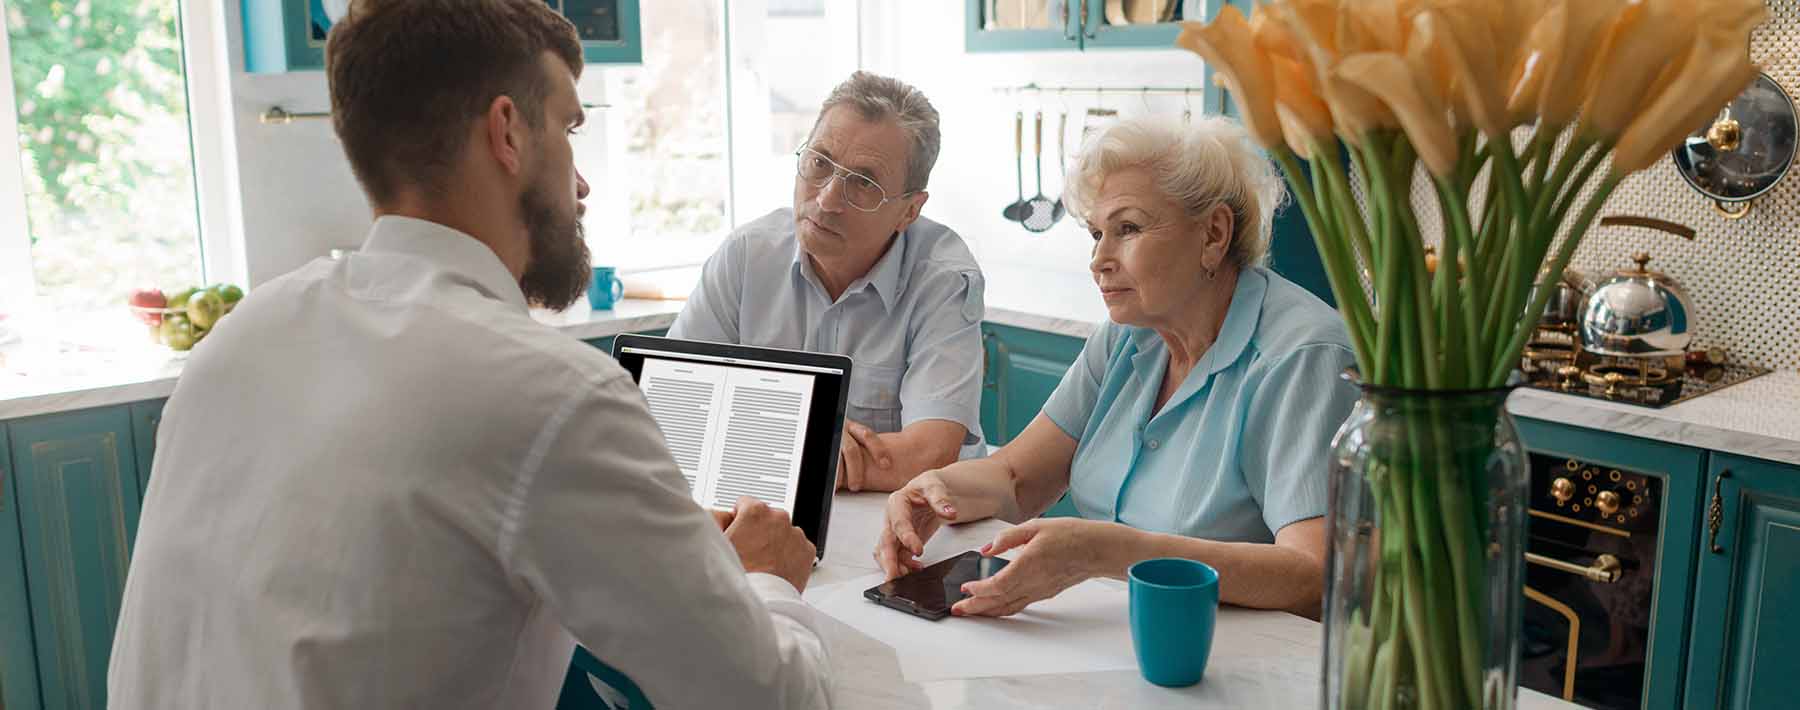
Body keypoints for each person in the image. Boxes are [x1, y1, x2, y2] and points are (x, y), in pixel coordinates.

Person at [107, 2, 829, 707]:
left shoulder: (245, 331)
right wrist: (766, 579)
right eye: (570, 129)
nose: (581, 184)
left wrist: (660, 546)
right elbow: (771, 698)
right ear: (508, 132)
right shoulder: (553, 393)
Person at [874, 115, 1357, 619]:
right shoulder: (1129, 335)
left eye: (1128, 228)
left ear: (1214, 233)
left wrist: (1113, 554)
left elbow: (1317, 574)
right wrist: (937, 490)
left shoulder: (1304, 356)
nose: (1099, 259)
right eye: (1096, 233)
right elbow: (1019, 477)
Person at [668, 71, 986, 494]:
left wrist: (754, 447)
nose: (827, 199)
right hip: (769, 509)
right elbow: (672, 408)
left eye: (864, 183)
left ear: (909, 211)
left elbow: (928, 455)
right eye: (819, 163)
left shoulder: (943, 281)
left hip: (911, 530)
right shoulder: (746, 256)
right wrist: (812, 451)